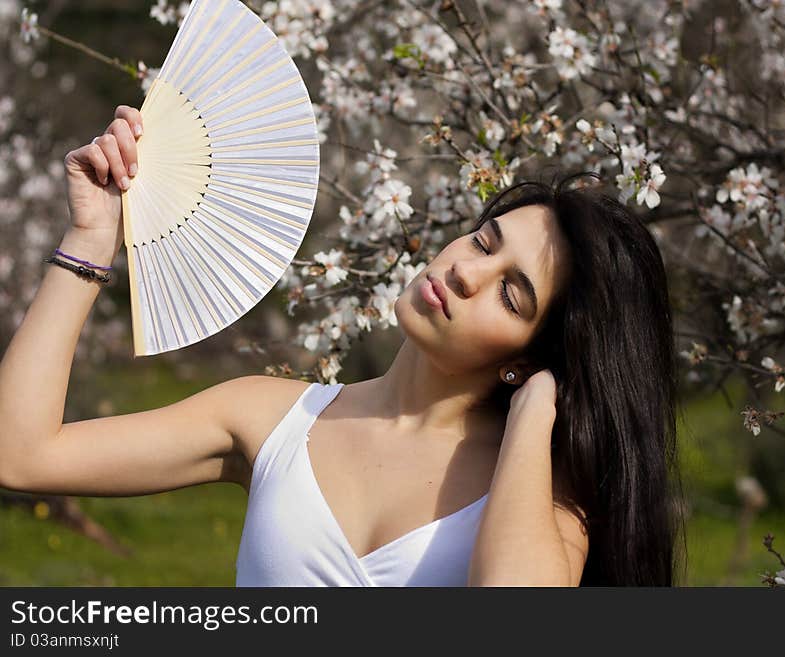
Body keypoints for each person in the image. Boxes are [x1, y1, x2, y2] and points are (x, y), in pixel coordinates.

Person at [0, 104, 686, 587]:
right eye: (482, 241)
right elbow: (21, 453)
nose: (466, 272)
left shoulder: (542, 499)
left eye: (512, 295)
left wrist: (539, 407)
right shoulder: (272, 420)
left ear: (530, 353)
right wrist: (90, 240)